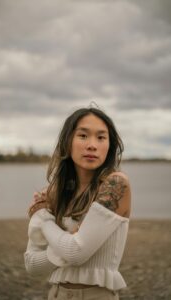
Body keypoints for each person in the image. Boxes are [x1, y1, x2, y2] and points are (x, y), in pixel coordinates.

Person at [24, 106, 131, 300]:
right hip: (56, 294)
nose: (92, 145)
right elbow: (31, 264)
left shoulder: (115, 185)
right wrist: (64, 244)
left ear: (109, 145)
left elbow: (76, 253)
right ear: (68, 141)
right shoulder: (55, 193)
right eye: (83, 136)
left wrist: (43, 218)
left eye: (101, 137)